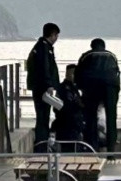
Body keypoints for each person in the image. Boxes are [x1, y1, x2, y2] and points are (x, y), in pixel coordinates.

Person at [75, 38, 121, 152]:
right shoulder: (112, 56)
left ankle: (92, 147)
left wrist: (80, 90)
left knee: (91, 117)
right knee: (111, 118)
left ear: (92, 46)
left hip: (91, 87)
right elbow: (117, 74)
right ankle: (111, 149)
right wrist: (116, 93)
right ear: (104, 46)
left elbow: (78, 74)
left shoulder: (86, 56)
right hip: (110, 87)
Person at [26, 23, 60, 152]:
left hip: (38, 87)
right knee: (43, 117)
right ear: (52, 35)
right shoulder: (44, 48)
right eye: (56, 35)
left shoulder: (41, 47)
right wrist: (49, 84)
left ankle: (42, 143)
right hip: (42, 88)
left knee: (43, 116)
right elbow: (45, 68)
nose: (56, 38)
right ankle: (41, 145)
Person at [52, 65, 85, 152]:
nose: (74, 76)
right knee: (69, 151)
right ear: (67, 74)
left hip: (70, 125)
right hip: (67, 125)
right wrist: (80, 105)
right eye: (72, 73)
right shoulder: (65, 88)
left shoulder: (73, 87)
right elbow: (68, 106)